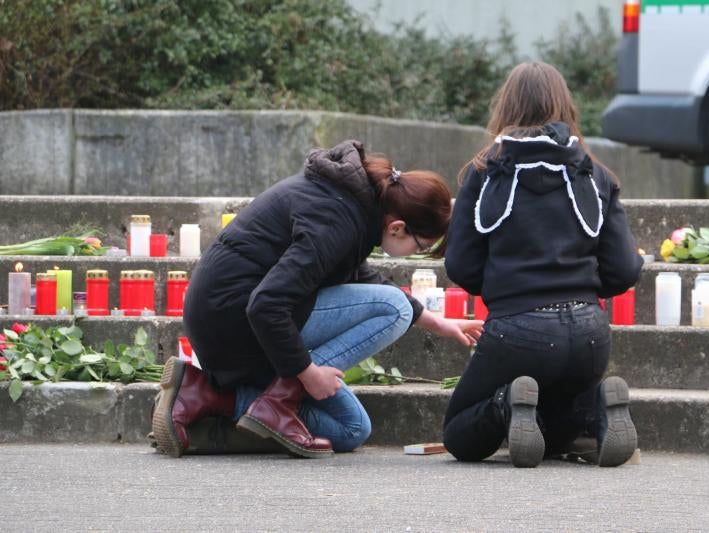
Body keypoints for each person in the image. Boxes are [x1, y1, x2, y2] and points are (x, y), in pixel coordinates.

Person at [152, 140, 483, 458]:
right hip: (231, 322)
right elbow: (266, 304)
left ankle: (209, 397)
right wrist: (308, 373)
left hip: (238, 325)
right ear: (397, 227)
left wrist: (437, 322)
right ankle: (276, 403)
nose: (415, 254)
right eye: (421, 247)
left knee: (351, 428)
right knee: (392, 307)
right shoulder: (335, 218)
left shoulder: (351, 209)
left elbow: (358, 274)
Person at [442, 62, 642, 468]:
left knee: (459, 434)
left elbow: (461, 266)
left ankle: (504, 404)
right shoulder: (594, 173)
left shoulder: (485, 172)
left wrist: (508, 289)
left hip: (518, 330)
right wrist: (580, 290)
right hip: (589, 334)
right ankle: (594, 413)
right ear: (565, 106)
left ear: (506, 107)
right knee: (551, 427)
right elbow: (623, 269)